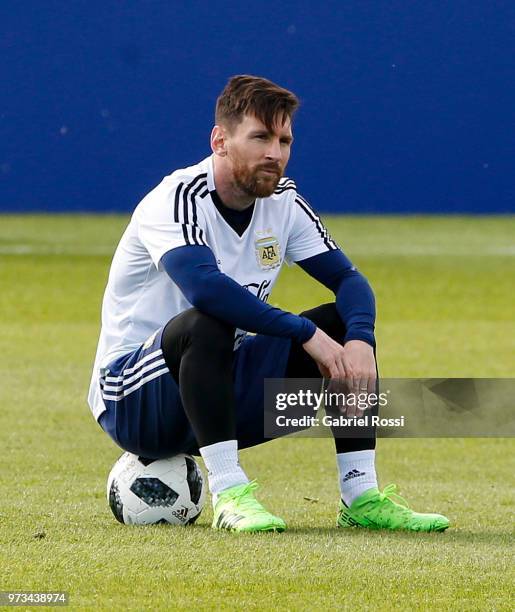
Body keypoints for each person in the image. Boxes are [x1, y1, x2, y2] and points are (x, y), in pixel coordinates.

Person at [88, 75, 449, 533]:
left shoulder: (284, 202)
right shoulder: (177, 199)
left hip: (217, 388)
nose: (274, 153)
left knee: (341, 321)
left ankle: (361, 496)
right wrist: (305, 334)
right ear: (220, 140)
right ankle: (230, 494)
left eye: (284, 140)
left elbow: (349, 280)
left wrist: (360, 339)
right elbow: (206, 290)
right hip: (134, 402)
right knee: (207, 322)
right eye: (260, 137)